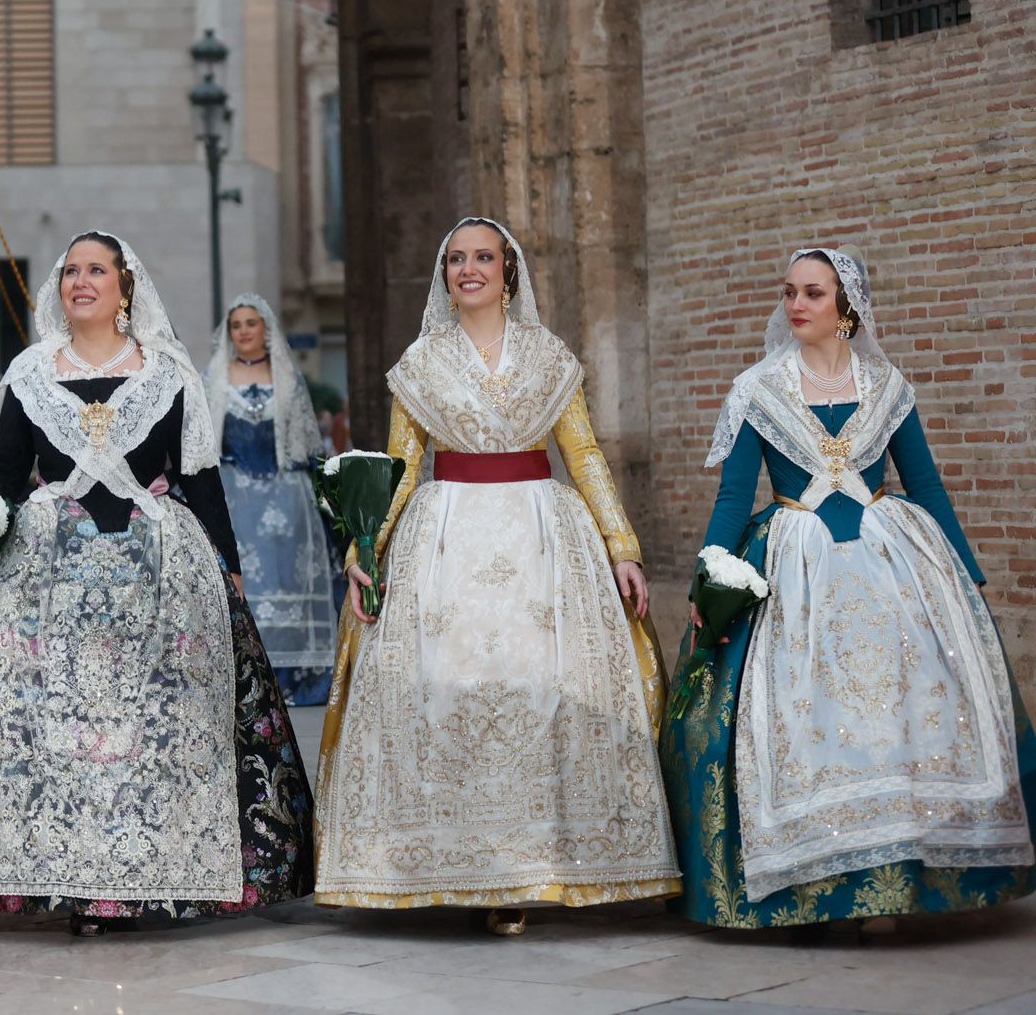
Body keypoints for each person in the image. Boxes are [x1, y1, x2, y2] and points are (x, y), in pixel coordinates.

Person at [0, 232, 314, 934]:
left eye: (97, 269)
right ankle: (69, 878)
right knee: (52, 720)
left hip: (157, 564)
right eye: (71, 270)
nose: (81, 280)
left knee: (156, 723)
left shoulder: (169, 373)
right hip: (47, 565)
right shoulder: (28, 374)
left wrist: (228, 568)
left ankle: (145, 877)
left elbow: (201, 481)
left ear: (125, 286)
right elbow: (1, 479)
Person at [315, 217, 677, 935]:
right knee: (444, 693)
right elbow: (402, 464)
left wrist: (622, 545)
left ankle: (528, 866)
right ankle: (450, 863)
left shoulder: (550, 356)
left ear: (508, 271)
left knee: (541, 691)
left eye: (483, 257)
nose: (468, 268)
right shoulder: (421, 361)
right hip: (444, 535)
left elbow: (586, 454)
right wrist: (366, 551)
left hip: (542, 537)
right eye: (456, 259)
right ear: (444, 275)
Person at [661, 246, 1034, 929]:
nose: (796, 305)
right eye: (789, 292)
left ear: (847, 308)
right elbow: (735, 493)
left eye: (813, 293)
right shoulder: (758, 389)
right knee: (814, 718)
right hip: (795, 564)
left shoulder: (889, 386)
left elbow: (924, 484)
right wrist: (710, 570)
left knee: (899, 713)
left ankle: (894, 882)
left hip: (896, 562)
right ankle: (823, 881)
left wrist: (967, 571)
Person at [206, 293, 341, 705]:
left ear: (266, 330)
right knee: (244, 580)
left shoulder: (287, 378)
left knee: (286, 577)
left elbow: (304, 443)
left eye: (251, 323)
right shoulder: (212, 378)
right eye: (236, 325)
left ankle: (290, 676)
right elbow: (202, 441)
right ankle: (244, 675)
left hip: (285, 494)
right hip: (234, 494)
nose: (244, 331)